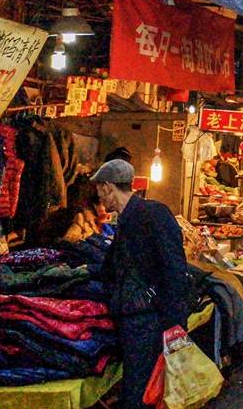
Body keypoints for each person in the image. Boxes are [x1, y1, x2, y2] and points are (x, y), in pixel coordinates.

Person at [91, 159, 188, 409]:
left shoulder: (153, 214)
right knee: (140, 388)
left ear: (109, 187)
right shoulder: (125, 219)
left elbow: (175, 269)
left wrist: (175, 324)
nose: (100, 198)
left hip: (148, 319)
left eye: (100, 191)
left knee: (142, 391)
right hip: (133, 319)